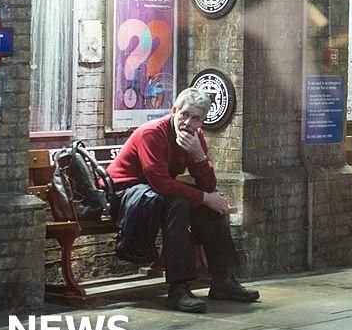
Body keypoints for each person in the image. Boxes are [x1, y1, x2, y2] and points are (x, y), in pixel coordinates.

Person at [107, 87, 259, 313]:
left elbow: (208, 186)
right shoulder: (152, 133)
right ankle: (178, 289)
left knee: (214, 206)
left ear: (202, 121)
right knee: (180, 204)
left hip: (153, 193)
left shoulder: (194, 138)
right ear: (174, 110)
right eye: (184, 114)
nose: (188, 122)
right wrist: (205, 198)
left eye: (195, 118)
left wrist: (199, 156)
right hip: (126, 195)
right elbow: (160, 182)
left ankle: (222, 280)